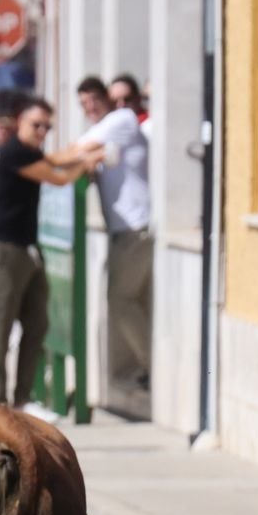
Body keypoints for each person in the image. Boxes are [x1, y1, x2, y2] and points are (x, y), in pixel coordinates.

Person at [0, 98, 96, 410]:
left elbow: (53, 160)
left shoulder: (31, 152)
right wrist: (85, 162)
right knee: (1, 329)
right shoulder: (14, 152)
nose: (42, 131)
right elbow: (57, 175)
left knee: (37, 324)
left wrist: (79, 151)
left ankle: (22, 398)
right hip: (4, 250)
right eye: (37, 125)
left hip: (28, 248)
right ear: (19, 121)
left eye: (48, 126)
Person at [81, 73, 154, 400]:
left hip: (135, 228)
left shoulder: (122, 121)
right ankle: (143, 368)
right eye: (85, 104)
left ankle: (151, 366)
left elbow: (75, 151)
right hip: (124, 230)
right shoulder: (108, 134)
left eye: (97, 101)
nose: (91, 108)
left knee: (120, 300)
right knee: (130, 302)